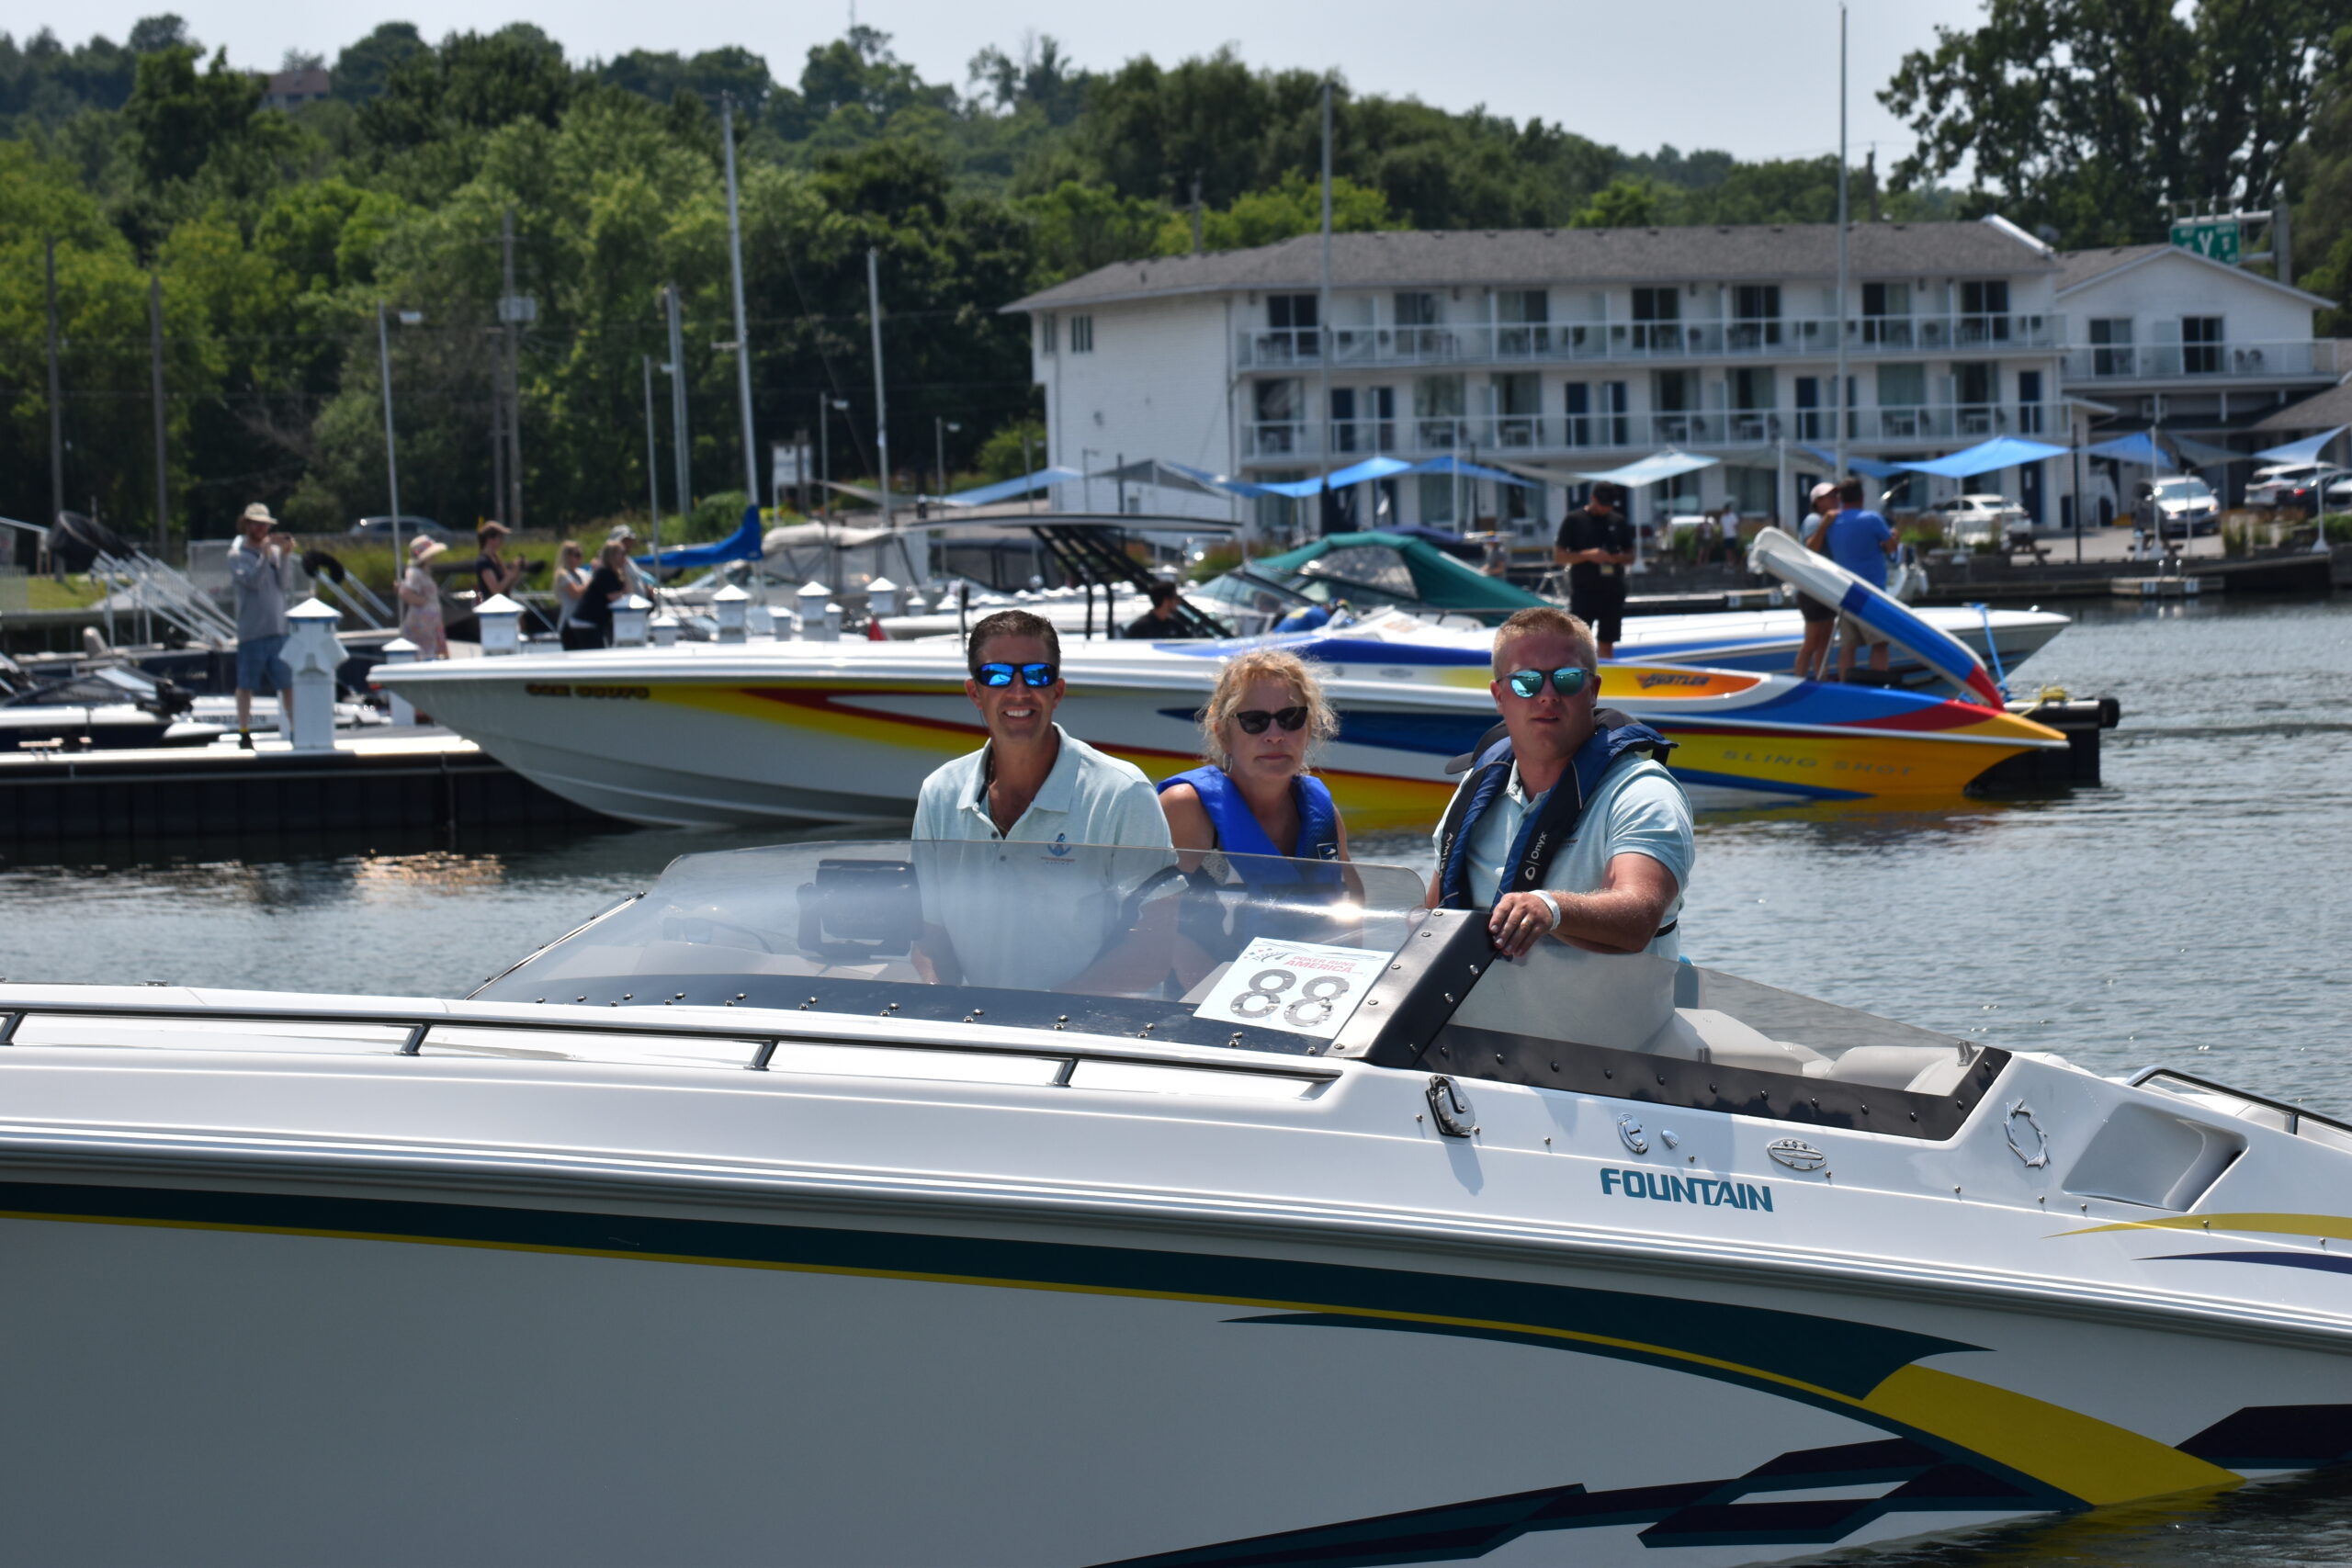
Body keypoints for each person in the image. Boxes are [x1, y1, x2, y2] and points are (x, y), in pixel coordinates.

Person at [910, 609, 1175, 991]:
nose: (1019, 691)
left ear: (1057, 691)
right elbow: (931, 938)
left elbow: (1151, 953)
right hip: (981, 1031)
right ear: (975, 693)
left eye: (1037, 675)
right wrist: (944, 1012)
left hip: (1095, 1037)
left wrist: (1045, 1018)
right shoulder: (938, 794)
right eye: (998, 675)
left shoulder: (1122, 793)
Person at [1427, 605, 1693, 962]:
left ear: (1593, 689)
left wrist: (1551, 908)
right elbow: (1430, 921)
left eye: (1567, 679)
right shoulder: (1473, 791)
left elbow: (1639, 917)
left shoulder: (1643, 792)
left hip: (1615, 1018)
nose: (1548, 694)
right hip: (1483, 1016)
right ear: (1499, 696)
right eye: (1527, 682)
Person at [1158, 649, 1352, 868]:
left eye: (1291, 718)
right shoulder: (1186, 808)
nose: (1275, 736)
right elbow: (1148, 901)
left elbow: (1352, 899)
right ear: (1223, 735)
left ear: (1309, 728)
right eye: (1254, 721)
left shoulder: (1326, 817)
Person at [228, 502, 298, 749]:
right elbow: (253, 583)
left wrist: (285, 556)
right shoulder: (237, 555)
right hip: (252, 633)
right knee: (246, 685)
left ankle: (296, 729)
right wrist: (264, 557)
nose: (261, 528)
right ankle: (244, 731)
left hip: (278, 629)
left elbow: (284, 584)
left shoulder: (274, 553)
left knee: (288, 684)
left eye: (264, 524)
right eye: (256, 523)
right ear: (247, 525)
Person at [1825, 477, 1897, 682]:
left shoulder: (1832, 522)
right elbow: (1891, 548)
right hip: (1871, 592)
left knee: (1848, 646)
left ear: (1840, 498)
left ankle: (1846, 686)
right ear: (1862, 497)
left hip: (1845, 590)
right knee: (1880, 643)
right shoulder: (1871, 519)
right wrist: (1894, 538)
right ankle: (1880, 685)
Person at [1554, 482, 1636, 657]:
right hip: (1584, 591)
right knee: (1579, 644)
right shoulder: (1574, 520)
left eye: (1609, 505)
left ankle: (1605, 679)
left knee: (1607, 643)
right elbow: (1559, 556)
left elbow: (1631, 556)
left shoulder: (1618, 521)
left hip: (1612, 591)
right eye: (1602, 504)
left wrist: (1613, 558)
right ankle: (1580, 681)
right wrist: (1589, 555)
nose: (1606, 509)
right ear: (1592, 499)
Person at [1792, 481, 1840, 681]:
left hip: (1825, 587)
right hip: (1812, 589)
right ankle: (1799, 681)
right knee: (1812, 642)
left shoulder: (1828, 519)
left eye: (1835, 495)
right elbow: (1811, 548)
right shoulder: (1814, 520)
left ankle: (1822, 679)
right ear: (1818, 502)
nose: (1834, 499)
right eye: (1829, 496)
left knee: (1825, 642)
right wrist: (1825, 525)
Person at [569, 542, 631, 648]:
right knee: (595, 654)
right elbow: (614, 597)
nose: (625, 557)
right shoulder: (604, 573)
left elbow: (628, 593)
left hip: (594, 622)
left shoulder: (614, 574)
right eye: (623, 554)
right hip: (586, 621)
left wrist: (625, 571)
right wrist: (624, 595)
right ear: (613, 555)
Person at [398, 536, 449, 660]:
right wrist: (424, 602)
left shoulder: (423, 573)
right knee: (421, 654)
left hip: (429, 624)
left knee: (429, 652)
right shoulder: (415, 572)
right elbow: (405, 592)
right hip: (421, 624)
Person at [553, 540, 601, 652]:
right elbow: (576, 593)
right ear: (568, 556)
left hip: (582, 622)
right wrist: (593, 577)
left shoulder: (582, 573)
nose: (580, 558)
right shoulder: (562, 575)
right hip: (568, 623)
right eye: (577, 555)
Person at [474, 521, 528, 604]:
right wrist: (511, 575)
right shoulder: (484, 562)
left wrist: (516, 570)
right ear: (490, 539)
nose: (502, 541)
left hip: (504, 605)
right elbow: (495, 590)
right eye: (500, 537)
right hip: (492, 609)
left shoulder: (496, 559)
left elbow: (507, 585)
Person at [1124, 580, 1194, 640]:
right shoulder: (1138, 629)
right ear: (1166, 601)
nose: (1178, 602)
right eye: (1176, 598)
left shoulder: (1177, 627)